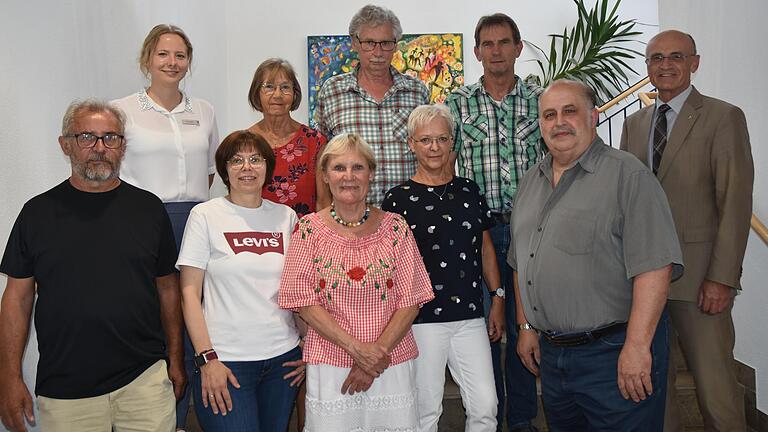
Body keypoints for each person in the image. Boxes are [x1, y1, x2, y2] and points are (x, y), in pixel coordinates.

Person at [0, 99, 184, 431]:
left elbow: (168, 288)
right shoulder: (36, 213)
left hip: (144, 380)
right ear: (65, 144)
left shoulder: (149, 209)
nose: (99, 148)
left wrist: (175, 358)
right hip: (66, 389)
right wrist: (8, 378)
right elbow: (17, 299)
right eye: (87, 137)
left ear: (122, 147)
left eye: (110, 137)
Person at [511, 79, 684, 431]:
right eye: (549, 115)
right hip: (555, 357)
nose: (559, 122)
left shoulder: (628, 176)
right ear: (540, 124)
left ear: (593, 116)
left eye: (569, 111)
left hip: (614, 353)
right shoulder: (530, 182)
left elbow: (655, 268)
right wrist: (526, 327)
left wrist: (637, 348)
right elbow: (520, 262)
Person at [620, 30, 754, 432]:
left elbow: (734, 203)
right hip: (644, 282)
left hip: (700, 281)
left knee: (717, 393)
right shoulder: (634, 124)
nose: (665, 65)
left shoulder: (723, 117)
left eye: (675, 56)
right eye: (656, 58)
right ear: (647, 68)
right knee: (655, 394)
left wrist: (722, 278)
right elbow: (627, 203)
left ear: (694, 63)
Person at [278, 133, 434, 431]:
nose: (348, 177)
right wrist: (358, 351)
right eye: (338, 168)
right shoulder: (308, 229)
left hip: (390, 361)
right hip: (331, 364)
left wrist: (374, 355)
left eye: (357, 167)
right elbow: (303, 301)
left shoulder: (396, 226)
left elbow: (412, 299)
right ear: (324, 175)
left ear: (371, 174)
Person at [111, 24, 219, 430]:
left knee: (196, 319)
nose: (172, 63)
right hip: (141, 225)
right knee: (155, 321)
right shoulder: (122, 110)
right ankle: (159, 416)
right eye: (163, 55)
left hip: (194, 221)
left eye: (180, 55)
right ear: (146, 60)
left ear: (188, 62)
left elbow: (208, 172)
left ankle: (196, 411)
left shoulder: (204, 110)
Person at [445, 12, 542, 431]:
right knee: (485, 329)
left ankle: (520, 420)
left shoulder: (541, 100)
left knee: (527, 325)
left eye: (504, 42)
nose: (496, 51)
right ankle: (489, 417)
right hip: (477, 236)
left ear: (518, 48)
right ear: (477, 51)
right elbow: (443, 163)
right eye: (487, 44)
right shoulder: (456, 103)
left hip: (530, 231)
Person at [382, 104, 501, 431]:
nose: (434, 147)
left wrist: (498, 297)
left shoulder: (469, 191)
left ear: (452, 142)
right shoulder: (397, 200)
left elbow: (486, 247)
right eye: (425, 140)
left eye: (441, 138)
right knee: (424, 412)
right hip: (421, 320)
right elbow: (390, 265)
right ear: (411, 144)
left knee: (486, 405)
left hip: (470, 316)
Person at [176, 130, 304, 431]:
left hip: (283, 362)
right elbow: (189, 294)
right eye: (237, 160)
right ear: (224, 170)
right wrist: (206, 359)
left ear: (267, 168)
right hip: (226, 362)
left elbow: (298, 290)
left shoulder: (286, 217)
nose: (247, 167)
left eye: (255, 159)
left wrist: (306, 347)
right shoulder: (205, 215)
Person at [314, 4, 429, 206]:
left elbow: (430, 153)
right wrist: (322, 208)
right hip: (351, 214)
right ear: (354, 43)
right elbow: (321, 154)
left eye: (386, 43)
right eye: (369, 43)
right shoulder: (332, 91)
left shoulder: (417, 92)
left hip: (411, 212)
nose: (378, 52)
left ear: (396, 44)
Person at [247, 58, 329, 217]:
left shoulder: (315, 142)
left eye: (285, 87)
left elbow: (323, 203)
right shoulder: (245, 143)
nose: (277, 95)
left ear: (294, 94)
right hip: (257, 237)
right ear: (257, 93)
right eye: (269, 87)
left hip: (303, 236)